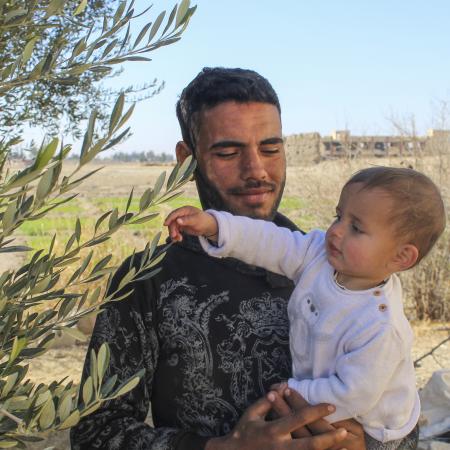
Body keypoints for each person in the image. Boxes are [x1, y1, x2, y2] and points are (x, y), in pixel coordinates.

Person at [70, 67, 367, 449]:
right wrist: (221, 448)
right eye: (228, 152)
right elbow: (95, 434)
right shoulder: (148, 280)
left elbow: (400, 418)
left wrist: (368, 442)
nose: (257, 171)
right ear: (186, 160)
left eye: (271, 149)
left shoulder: (342, 268)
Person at [165, 166, 446, 449]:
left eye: (356, 228)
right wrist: (216, 226)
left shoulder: (380, 327)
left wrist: (295, 391)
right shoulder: (318, 257)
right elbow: (271, 241)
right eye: (339, 216)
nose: (335, 231)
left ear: (401, 257)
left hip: (376, 428)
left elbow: (353, 393)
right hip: (327, 401)